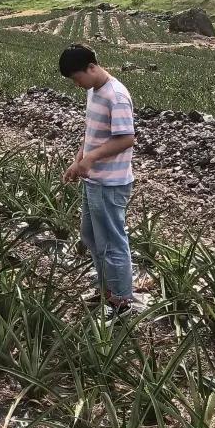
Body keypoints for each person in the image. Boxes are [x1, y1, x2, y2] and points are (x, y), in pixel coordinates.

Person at [59, 43, 136, 316]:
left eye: (77, 78)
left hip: (110, 183)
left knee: (112, 242)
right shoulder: (94, 91)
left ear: (91, 67)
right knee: (91, 236)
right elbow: (91, 131)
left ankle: (121, 302)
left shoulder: (117, 95)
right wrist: (78, 160)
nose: (77, 84)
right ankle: (106, 291)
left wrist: (91, 159)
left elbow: (126, 138)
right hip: (94, 180)